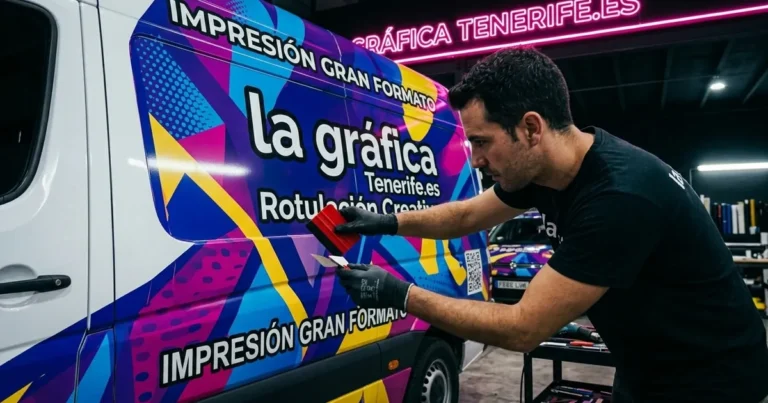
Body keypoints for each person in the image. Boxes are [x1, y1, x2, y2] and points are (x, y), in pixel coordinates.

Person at [333, 47, 768, 403]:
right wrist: (386, 222)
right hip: (647, 367)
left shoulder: (619, 197)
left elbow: (524, 327)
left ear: (531, 128)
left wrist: (397, 293)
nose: (477, 159)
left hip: (712, 381)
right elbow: (466, 215)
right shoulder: (545, 173)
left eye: (482, 142)